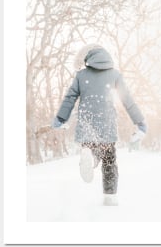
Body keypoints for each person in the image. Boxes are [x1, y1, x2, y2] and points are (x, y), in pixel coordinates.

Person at [52, 44, 147, 206]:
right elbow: (127, 100)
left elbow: (70, 98)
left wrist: (61, 118)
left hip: (87, 119)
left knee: (91, 146)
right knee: (109, 159)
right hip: (107, 121)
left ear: (88, 58)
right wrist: (140, 122)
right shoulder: (115, 75)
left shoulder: (81, 75)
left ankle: (91, 157)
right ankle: (110, 196)